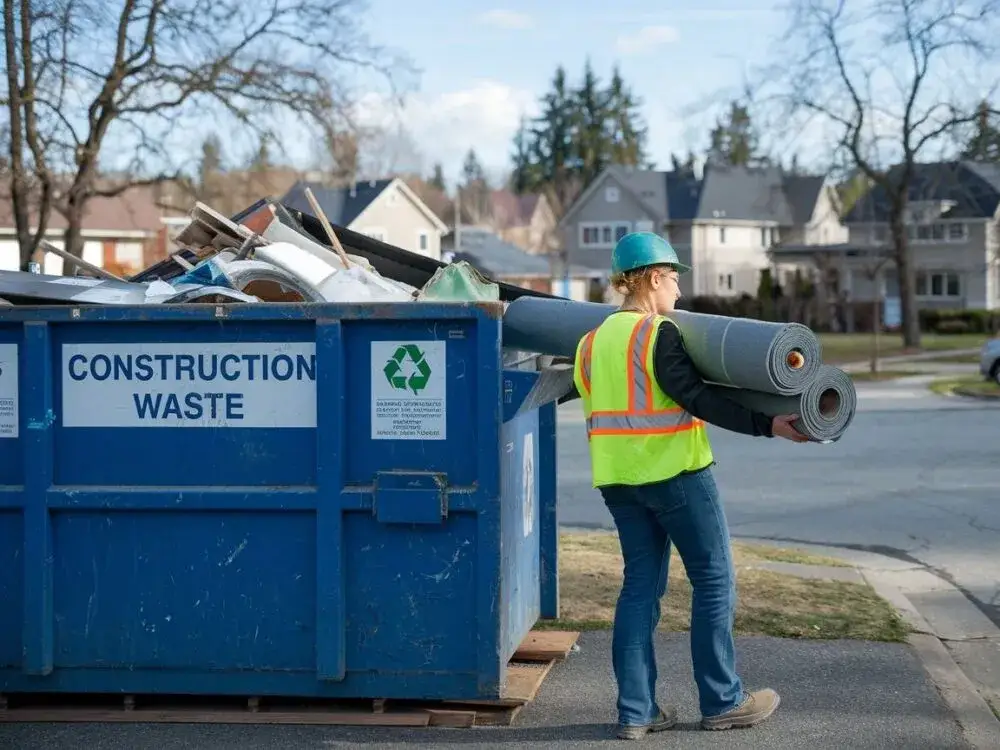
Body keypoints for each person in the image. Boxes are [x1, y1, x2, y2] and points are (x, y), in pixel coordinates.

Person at [567, 232, 808, 740]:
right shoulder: (658, 334)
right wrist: (770, 425)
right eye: (674, 279)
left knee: (639, 589)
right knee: (714, 580)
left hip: (618, 484)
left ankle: (636, 712)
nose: (678, 292)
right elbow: (699, 398)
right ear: (653, 278)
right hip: (675, 476)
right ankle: (722, 701)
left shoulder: (588, 344)